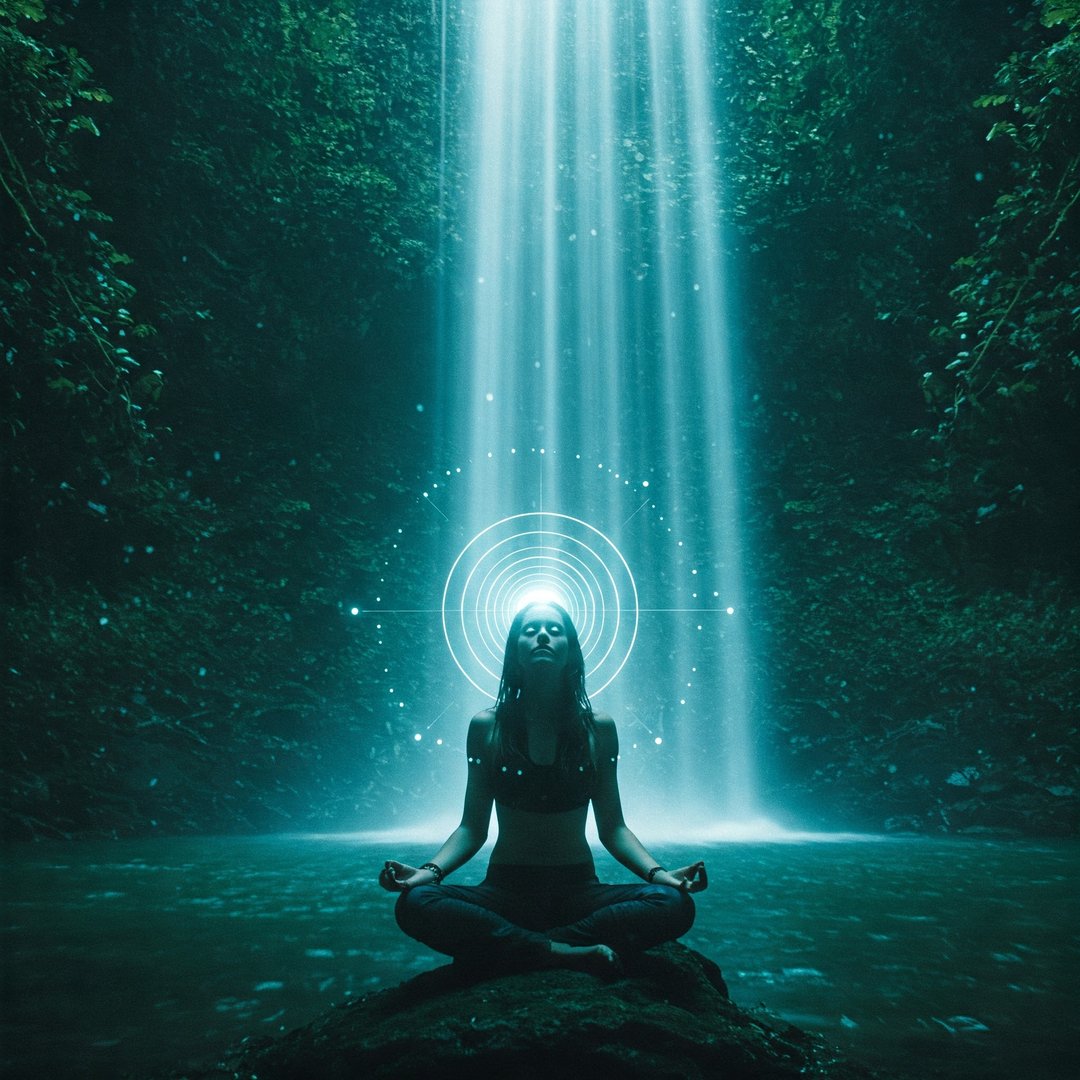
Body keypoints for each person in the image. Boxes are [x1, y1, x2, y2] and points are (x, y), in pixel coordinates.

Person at [379, 600, 707, 975]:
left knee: (674, 903)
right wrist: (429, 873)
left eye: (555, 630)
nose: (542, 636)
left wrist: (660, 875)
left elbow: (613, 828)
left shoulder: (598, 729)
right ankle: (557, 950)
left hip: (579, 891)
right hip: (505, 890)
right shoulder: (487, 727)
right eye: (530, 630)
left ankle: (520, 947)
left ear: (571, 652)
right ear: (515, 653)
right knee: (415, 903)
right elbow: (472, 828)